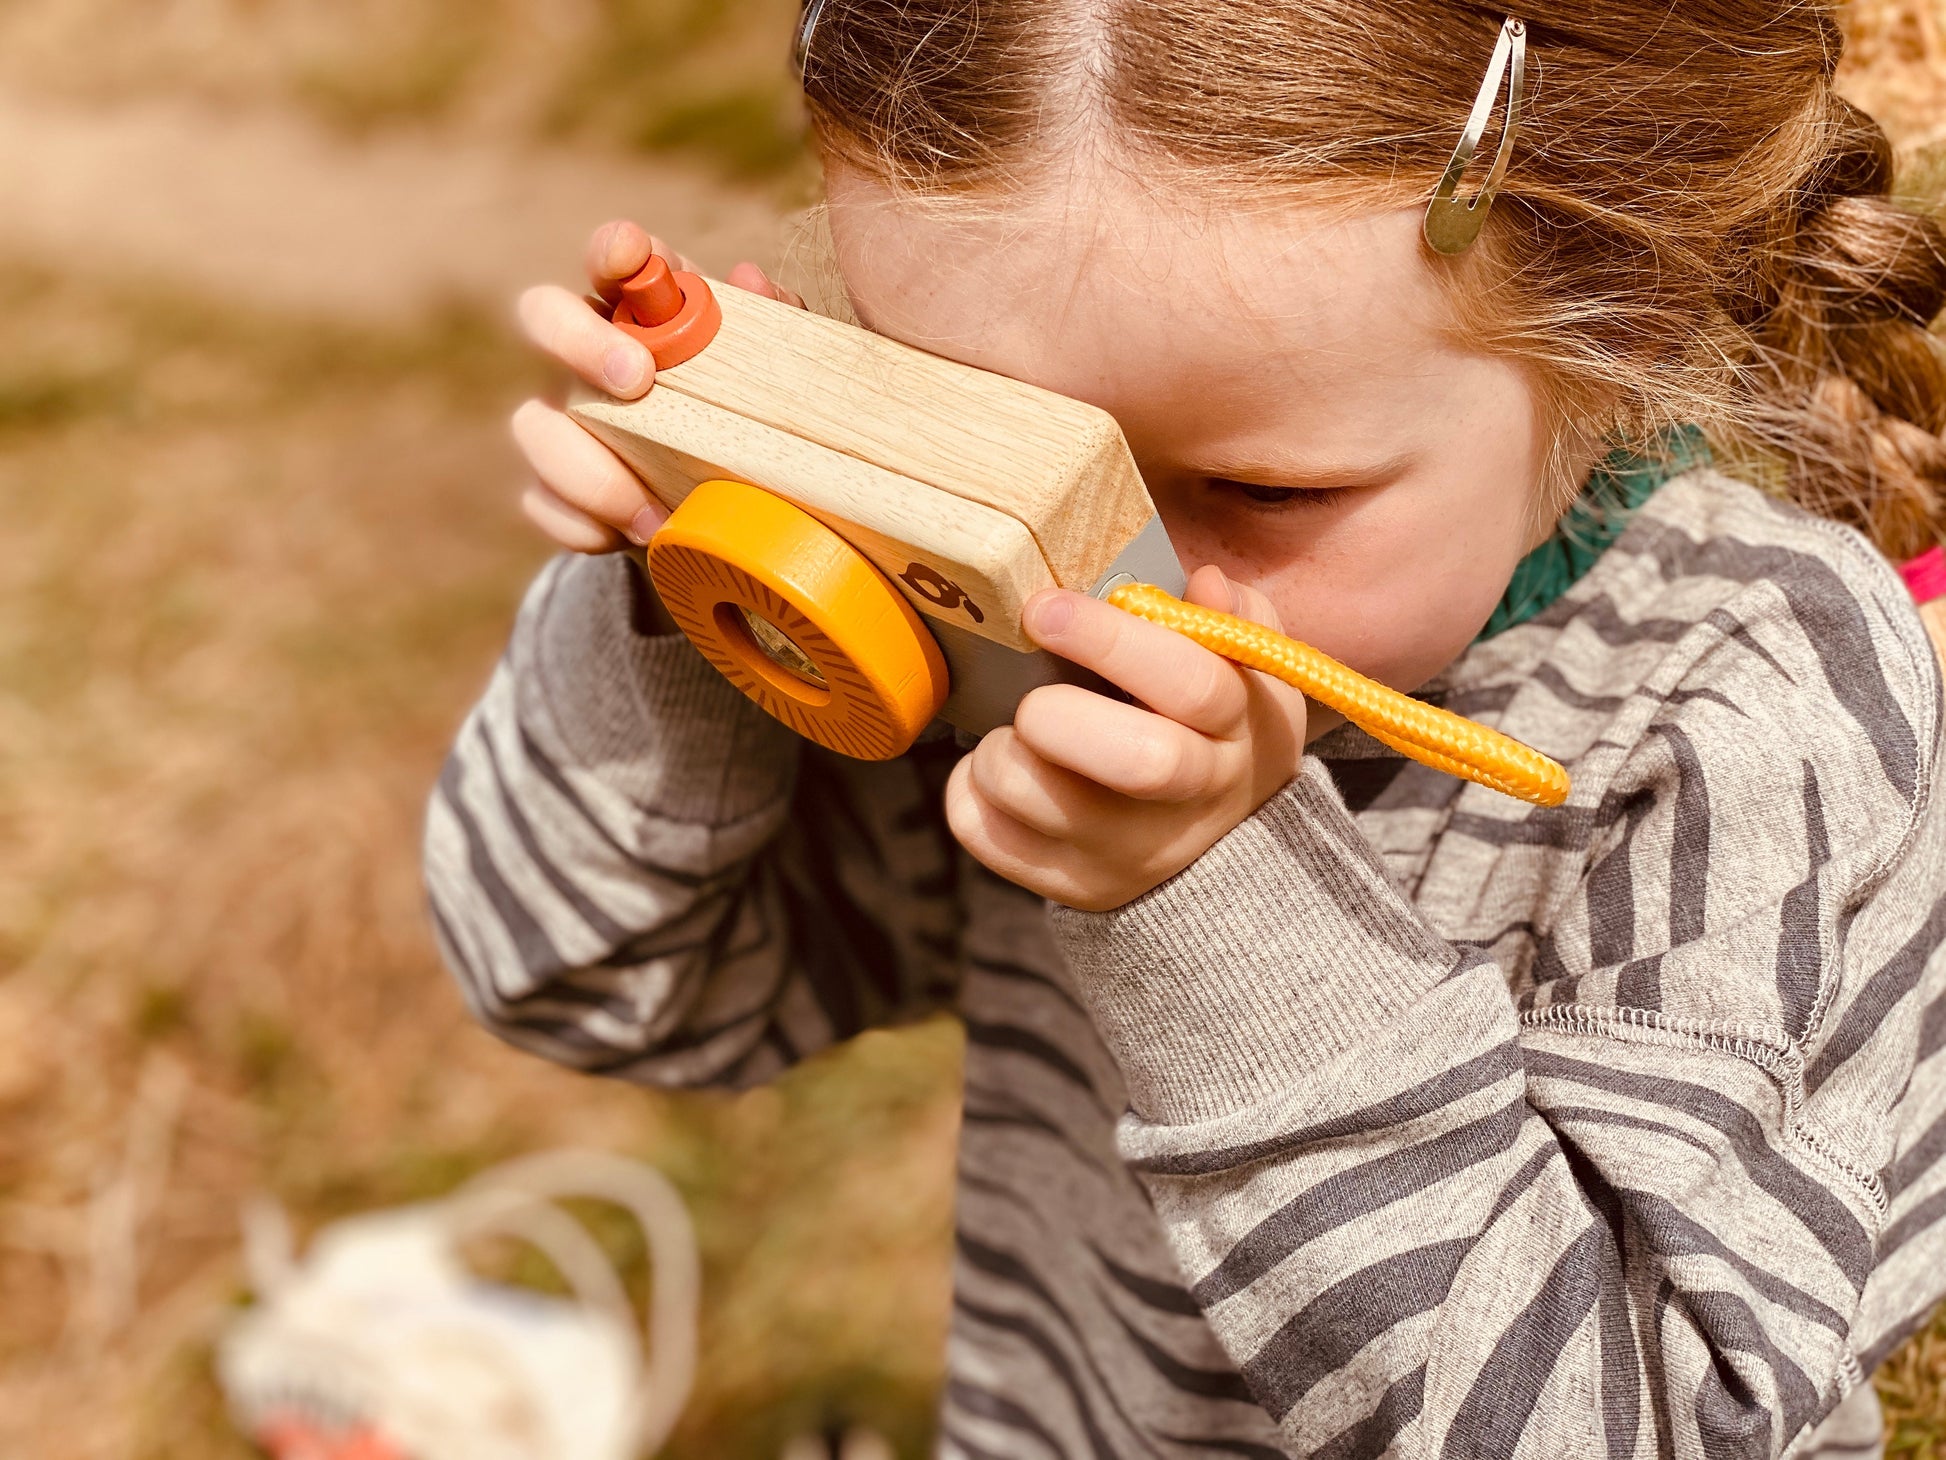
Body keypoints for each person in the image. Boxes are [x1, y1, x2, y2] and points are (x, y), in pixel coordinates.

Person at [425, 3, 1946, 1455]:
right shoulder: (1007, 636)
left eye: (1266, 491)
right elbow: (590, 984)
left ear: (1631, 323)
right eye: (985, 444)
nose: (1108, 580)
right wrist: (713, 589)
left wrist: (1215, 902)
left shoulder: (1747, 699)